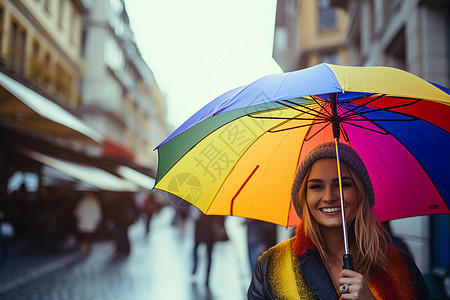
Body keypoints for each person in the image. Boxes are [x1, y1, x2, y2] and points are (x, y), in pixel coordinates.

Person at [248, 142, 430, 299]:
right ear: (304, 197)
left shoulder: (400, 265)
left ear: (361, 193)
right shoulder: (271, 266)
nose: (329, 196)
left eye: (342, 185)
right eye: (317, 186)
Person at [192, 213, 228, 286]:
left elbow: (194, 216)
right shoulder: (217, 208)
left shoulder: (199, 205)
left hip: (201, 228)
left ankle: (195, 262)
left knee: (196, 247)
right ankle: (207, 276)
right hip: (210, 231)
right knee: (209, 254)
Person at [74, 191, 102, 255]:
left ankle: (83, 248)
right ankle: (88, 246)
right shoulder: (95, 201)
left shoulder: (82, 201)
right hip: (91, 223)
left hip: (83, 222)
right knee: (89, 235)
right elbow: (98, 213)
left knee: (83, 235)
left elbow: (77, 212)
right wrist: (97, 221)